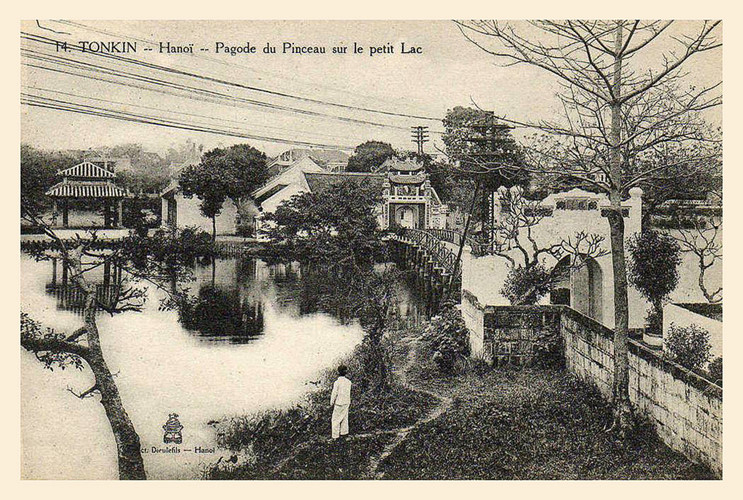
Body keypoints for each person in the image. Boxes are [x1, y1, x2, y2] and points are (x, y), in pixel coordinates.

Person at [330, 365, 352, 439]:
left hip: (339, 403)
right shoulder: (349, 382)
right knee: (344, 417)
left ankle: (335, 436)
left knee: (335, 419)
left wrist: (331, 402)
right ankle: (344, 433)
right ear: (346, 372)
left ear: (338, 372)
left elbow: (334, 393)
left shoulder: (337, 382)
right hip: (346, 402)